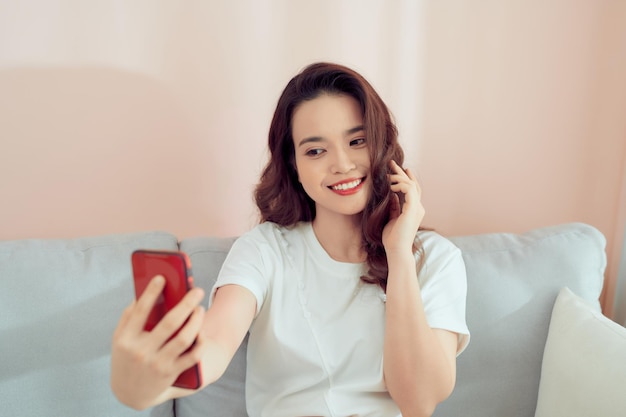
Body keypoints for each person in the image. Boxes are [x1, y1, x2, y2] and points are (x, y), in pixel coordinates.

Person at [111, 62, 469, 417]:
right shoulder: (264, 250)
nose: (342, 164)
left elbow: (419, 402)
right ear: (294, 164)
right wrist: (142, 385)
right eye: (316, 150)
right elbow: (216, 343)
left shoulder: (436, 259)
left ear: (383, 145)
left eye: (357, 141)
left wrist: (400, 254)